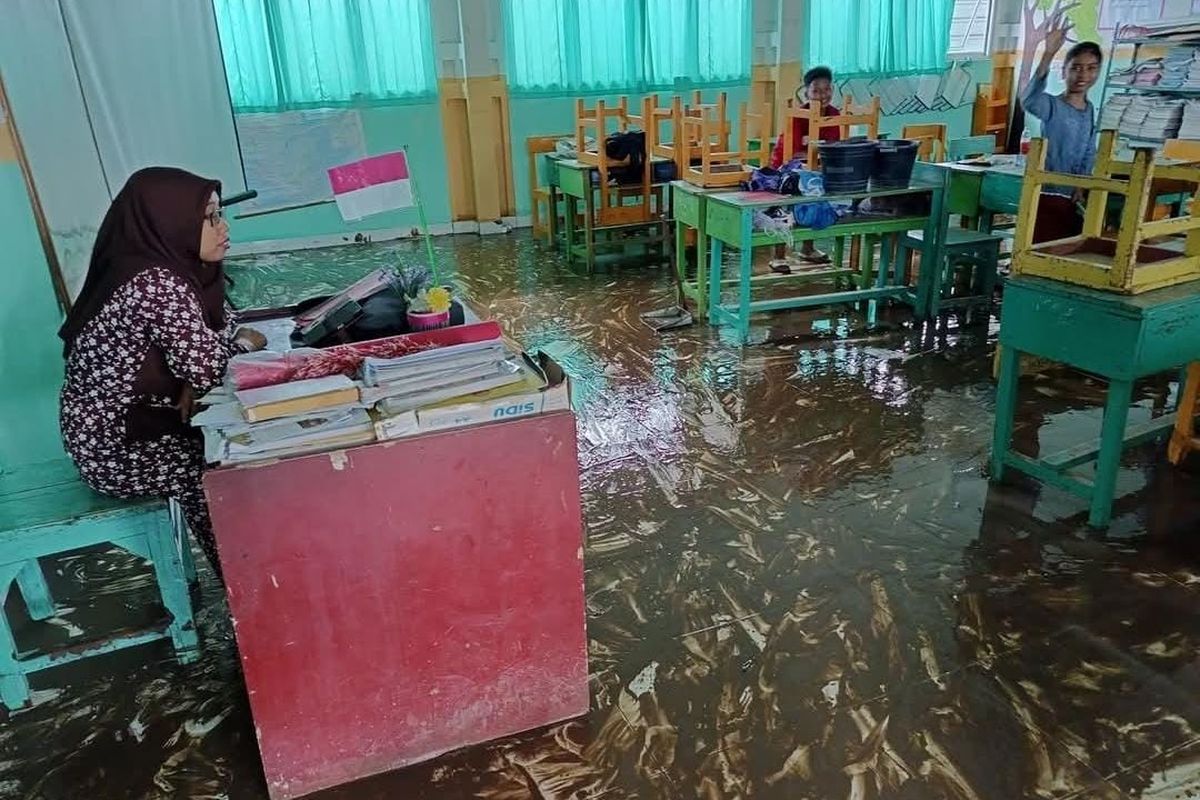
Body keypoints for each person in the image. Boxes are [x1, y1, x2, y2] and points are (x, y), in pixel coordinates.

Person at [59, 167, 265, 580]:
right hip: (112, 445)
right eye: (208, 218)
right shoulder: (155, 281)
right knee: (217, 464)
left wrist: (198, 372)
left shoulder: (173, 266)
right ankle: (244, 586)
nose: (222, 227)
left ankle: (250, 576)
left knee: (229, 441)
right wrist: (240, 347)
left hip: (144, 419)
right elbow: (212, 356)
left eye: (219, 214)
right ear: (171, 222)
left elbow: (215, 331)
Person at [1021, 24, 1102, 243]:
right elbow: (1028, 100)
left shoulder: (1091, 110)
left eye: (1091, 68)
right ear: (1064, 70)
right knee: (1042, 248)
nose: (1083, 74)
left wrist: (1082, 184)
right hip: (1048, 192)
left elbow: (1089, 150)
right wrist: (1048, 53)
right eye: (1076, 67)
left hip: (1073, 196)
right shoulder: (1052, 105)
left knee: (1070, 248)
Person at [770, 65, 842, 266]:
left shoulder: (834, 114)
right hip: (787, 168)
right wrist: (815, 154)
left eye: (827, 89)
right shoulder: (797, 115)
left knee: (817, 200)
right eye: (816, 90)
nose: (822, 95)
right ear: (806, 93)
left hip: (815, 169)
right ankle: (778, 256)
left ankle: (807, 249)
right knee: (786, 205)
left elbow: (834, 146)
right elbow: (792, 153)